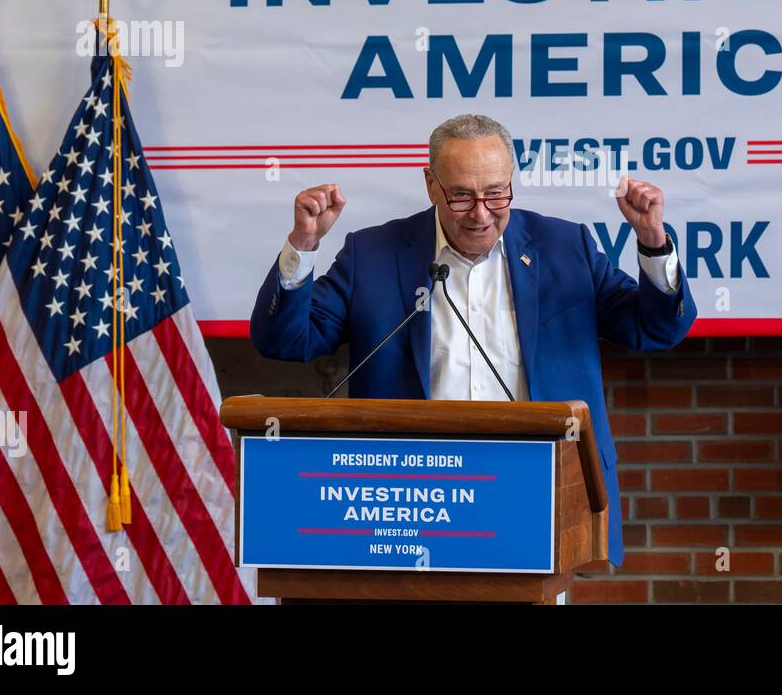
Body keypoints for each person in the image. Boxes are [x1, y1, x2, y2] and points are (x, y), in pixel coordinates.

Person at [250, 113, 697, 568]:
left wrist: (653, 243)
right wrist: (302, 246)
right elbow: (286, 341)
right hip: (412, 503)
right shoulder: (373, 254)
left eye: (495, 192)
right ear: (430, 185)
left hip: (542, 492)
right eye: (461, 196)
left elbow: (655, 328)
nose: (481, 213)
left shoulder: (565, 246)